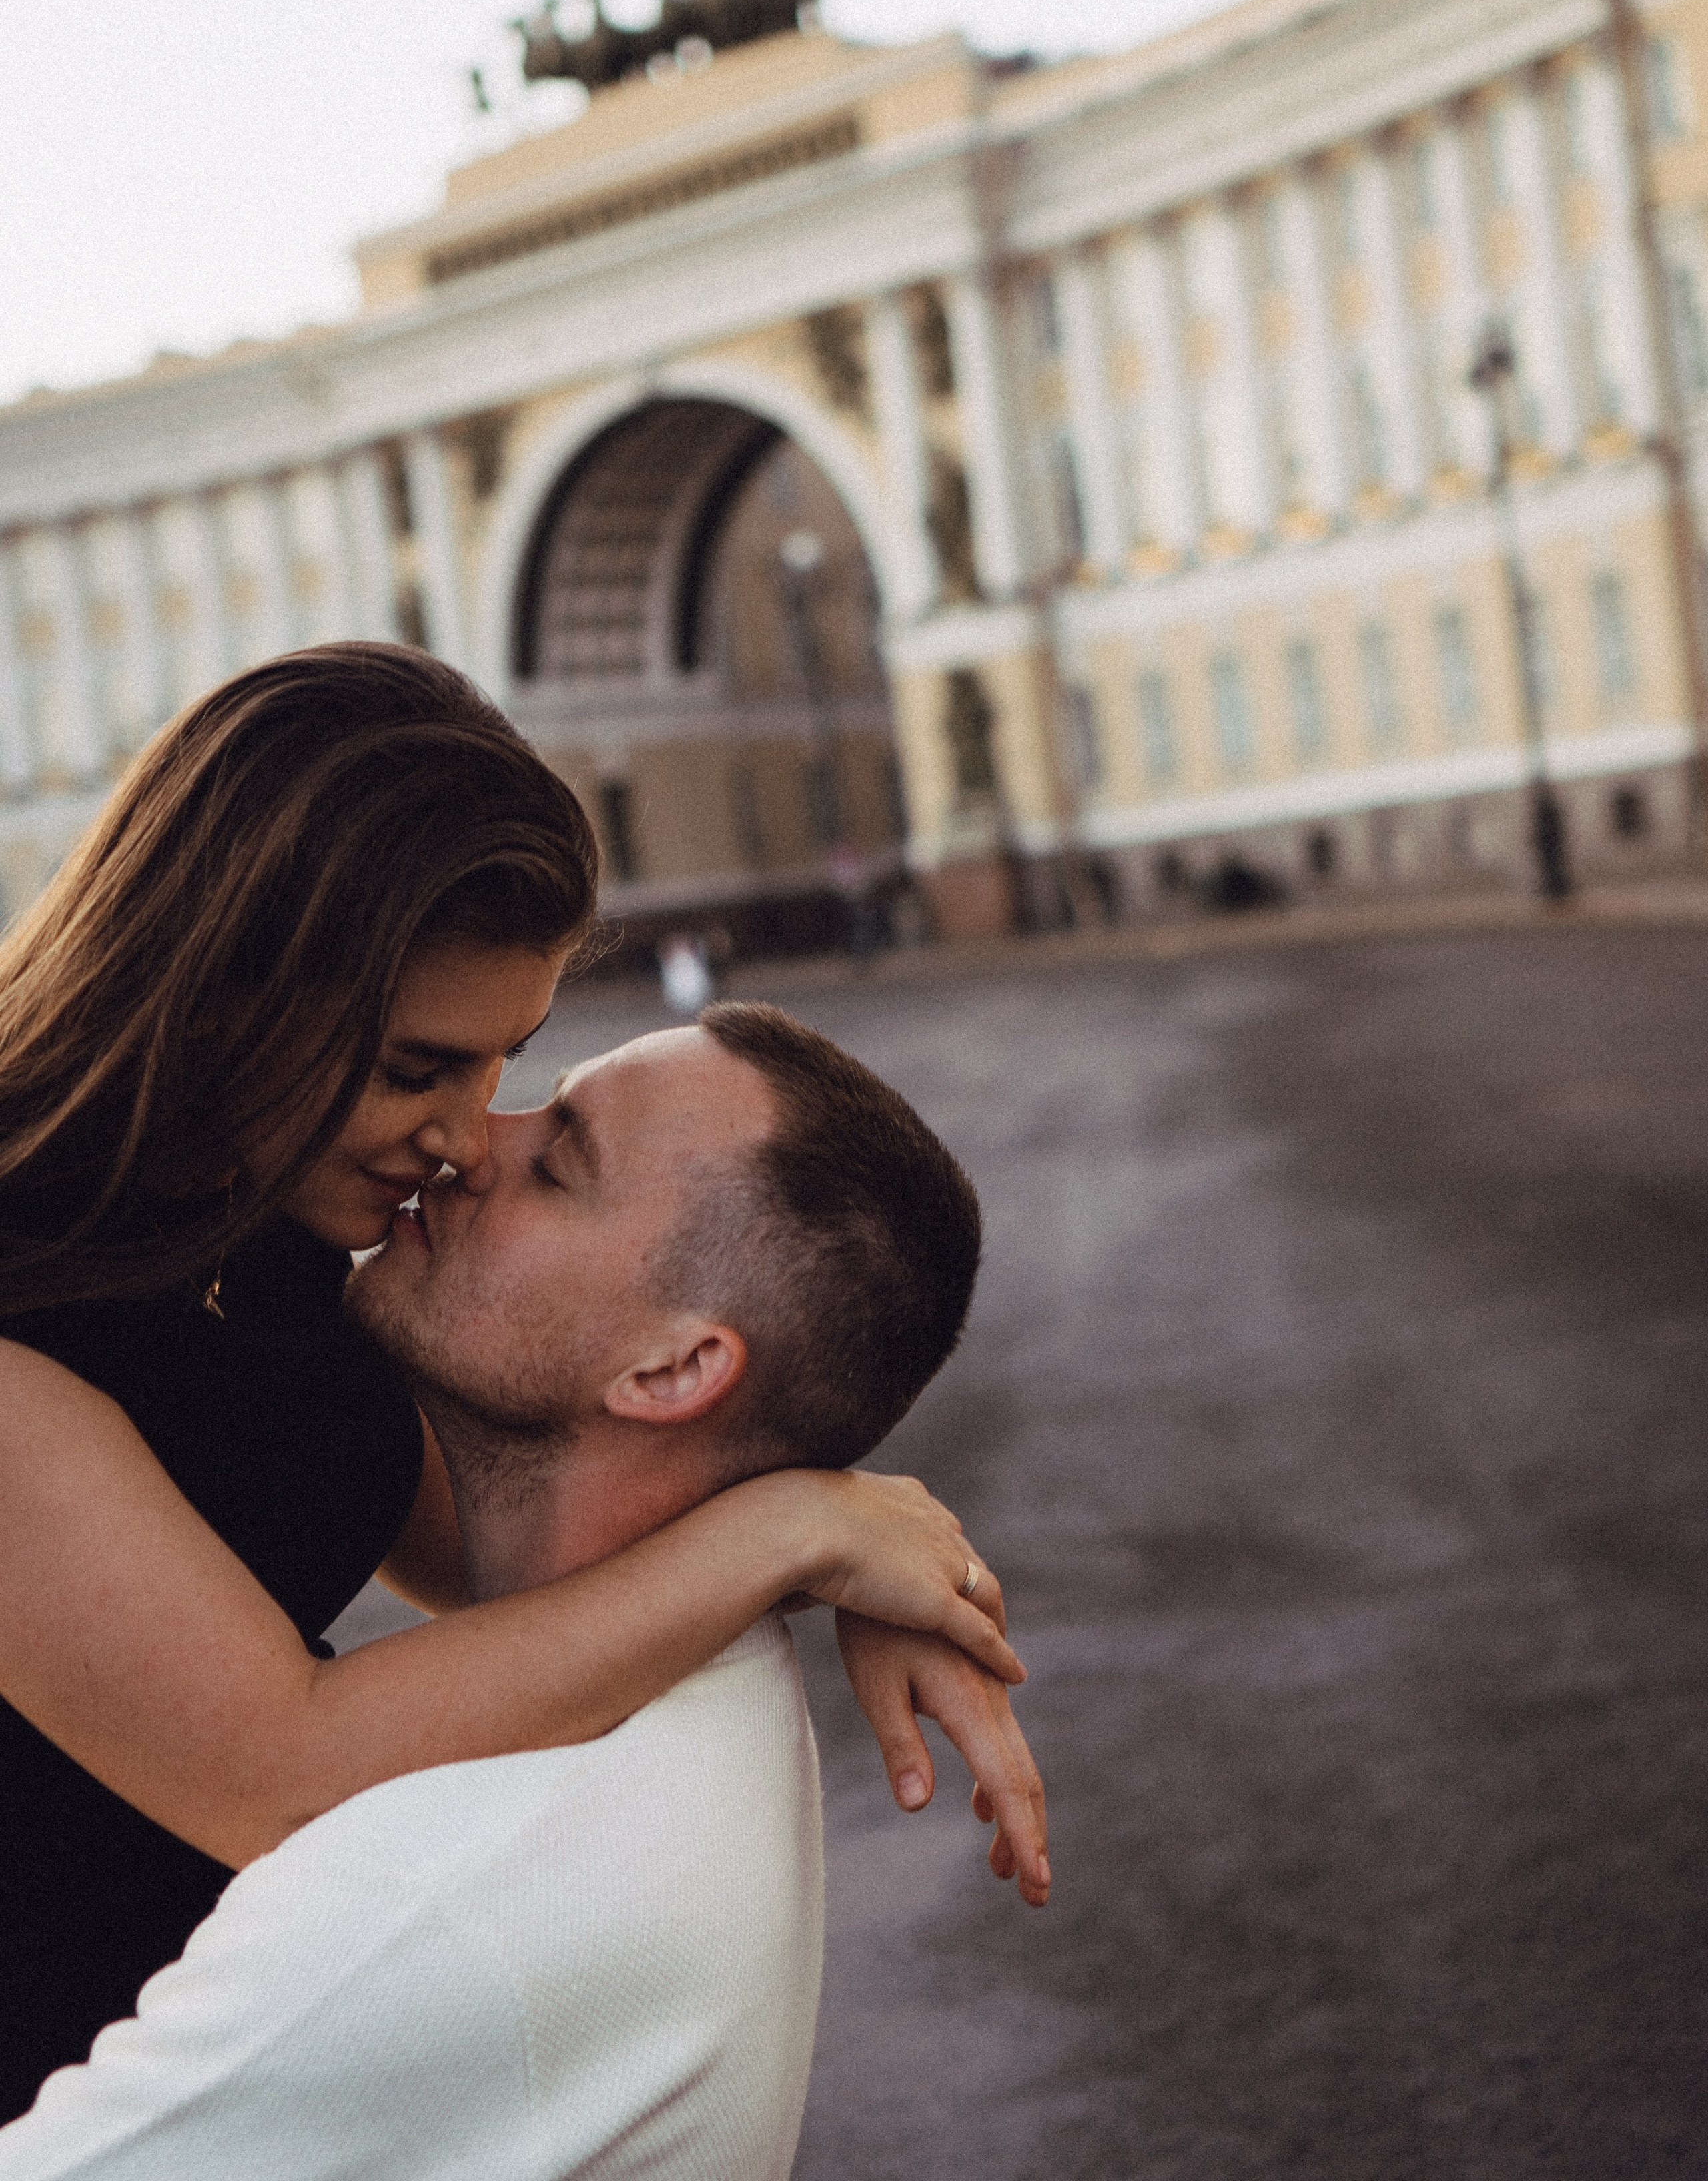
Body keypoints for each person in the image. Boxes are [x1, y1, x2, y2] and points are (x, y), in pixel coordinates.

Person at [0, 644, 1047, 2124]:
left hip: (244, 2038)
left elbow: (513, 1552)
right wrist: (788, 1535)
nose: (464, 1135)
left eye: (505, 1062)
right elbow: (279, 1767)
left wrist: (859, 1561)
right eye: (419, 1066)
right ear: (221, 984)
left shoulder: (282, 1215)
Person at [1, 1005, 999, 2178]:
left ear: (673, 1369)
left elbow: (282, 1761)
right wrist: (817, 1528)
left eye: (560, 1159)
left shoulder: (432, 1912)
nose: (473, 1145)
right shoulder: (692, 1678)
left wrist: (816, 1529)